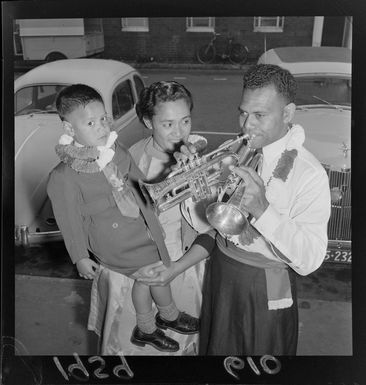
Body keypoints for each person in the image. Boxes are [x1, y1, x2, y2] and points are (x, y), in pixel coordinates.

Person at [137, 64, 331, 356]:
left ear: (288, 114)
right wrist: (193, 184)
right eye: (243, 113)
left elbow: (310, 260)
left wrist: (263, 211)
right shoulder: (240, 150)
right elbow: (207, 226)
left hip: (263, 286)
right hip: (221, 274)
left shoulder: (309, 173)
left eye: (260, 115)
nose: (246, 126)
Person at [47, 84, 199, 355]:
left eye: (104, 119)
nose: (102, 127)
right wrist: (80, 256)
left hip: (138, 230)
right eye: (91, 123)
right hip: (112, 243)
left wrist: (163, 189)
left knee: (151, 273)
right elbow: (69, 221)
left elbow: (140, 184)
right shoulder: (64, 175)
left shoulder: (116, 150)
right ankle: (160, 319)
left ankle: (155, 322)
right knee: (152, 274)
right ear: (69, 129)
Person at [87, 81, 207, 355]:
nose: (179, 133)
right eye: (168, 124)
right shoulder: (128, 159)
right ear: (146, 121)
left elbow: (211, 227)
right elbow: (103, 223)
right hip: (132, 266)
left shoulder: (198, 157)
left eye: (185, 121)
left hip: (182, 266)